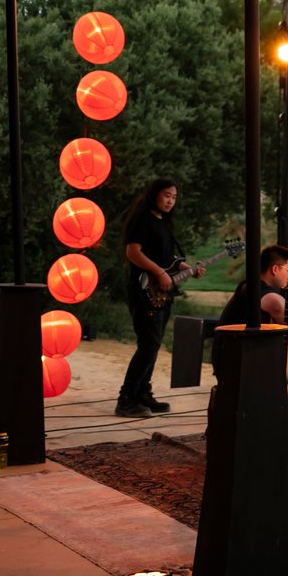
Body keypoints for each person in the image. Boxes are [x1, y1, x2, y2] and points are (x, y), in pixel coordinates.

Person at [117, 178, 204, 417]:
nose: (170, 201)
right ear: (154, 195)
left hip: (162, 294)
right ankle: (126, 399)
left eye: (174, 197)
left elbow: (168, 259)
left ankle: (143, 394)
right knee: (149, 344)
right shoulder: (143, 219)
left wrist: (188, 268)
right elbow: (132, 252)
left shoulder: (163, 223)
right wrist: (159, 272)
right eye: (167, 195)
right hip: (143, 290)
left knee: (153, 345)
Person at [216, 244, 288, 387]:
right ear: (275, 269)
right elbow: (279, 308)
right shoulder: (265, 294)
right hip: (249, 365)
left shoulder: (248, 286)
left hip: (237, 361)